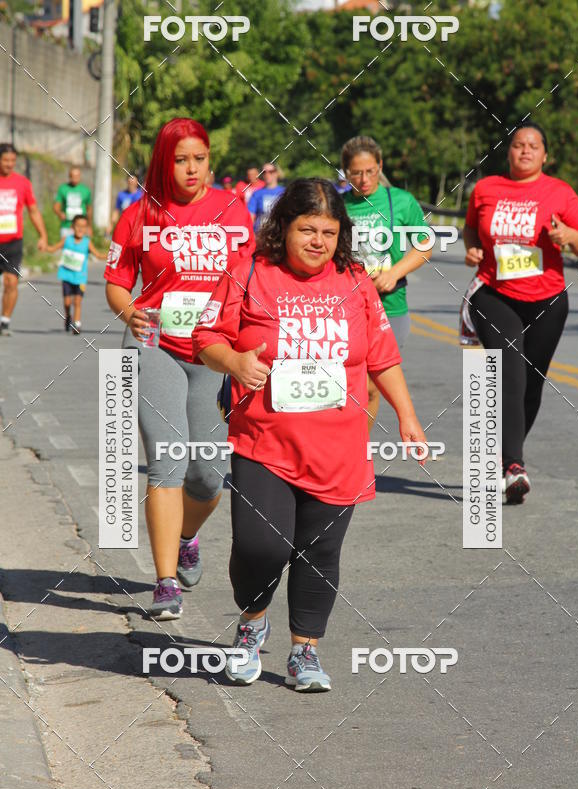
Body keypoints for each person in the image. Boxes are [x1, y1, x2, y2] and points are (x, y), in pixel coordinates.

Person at [193, 178, 428, 692]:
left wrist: (407, 416)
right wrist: (233, 360)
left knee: (319, 553)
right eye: (307, 229)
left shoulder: (355, 281)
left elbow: (382, 357)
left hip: (337, 447)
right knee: (261, 547)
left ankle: (305, 652)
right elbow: (206, 335)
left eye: (329, 231)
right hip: (264, 442)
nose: (318, 241)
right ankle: (252, 625)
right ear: (285, 227)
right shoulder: (250, 270)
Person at [105, 118, 254, 619]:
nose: (191, 169)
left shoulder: (233, 209)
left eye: (200, 158)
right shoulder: (141, 213)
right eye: (180, 159)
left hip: (212, 353)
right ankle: (165, 580)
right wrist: (131, 311)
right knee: (167, 462)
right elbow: (116, 283)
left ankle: (187, 537)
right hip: (153, 348)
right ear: (164, 162)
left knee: (210, 477)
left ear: (211, 159)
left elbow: (247, 276)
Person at [463, 123, 578, 504]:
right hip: (494, 294)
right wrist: (473, 250)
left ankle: (507, 459)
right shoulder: (487, 189)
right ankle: (514, 465)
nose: (524, 151)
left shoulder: (560, 192)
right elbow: (472, 230)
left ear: (544, 155)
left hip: (547, 300)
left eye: (533, 146)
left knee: (532, 385)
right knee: (510, 371)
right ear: (509, 152)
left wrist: (567, 237)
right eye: (518, 145)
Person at [341, 136, 432, 430]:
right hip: (345, 308)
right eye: (356, 172)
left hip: (389, 308)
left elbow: (425, 244)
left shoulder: (401, 201)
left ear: (379, 167)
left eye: (370, 171)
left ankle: (357, 454)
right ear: (345, 172)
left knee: (369, 387)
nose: (364, 179)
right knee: (343, 386)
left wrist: (394, 273)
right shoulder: (337, 205)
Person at [0, 143, 47, 336]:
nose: (9, 164)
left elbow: (33, 211)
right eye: (5, 160)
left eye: (13, 160)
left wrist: (42, 235)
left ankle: (5, 321)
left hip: (13, 243)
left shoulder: (23, 183)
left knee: (11, 282)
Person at [47, 214, 106, 334]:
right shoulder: (67, 240)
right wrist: (44, 247)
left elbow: (98, 255)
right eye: (78, 226)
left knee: (77, 302)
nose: (80, 229)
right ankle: (68, 316)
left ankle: (77, 323)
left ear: (87, 229)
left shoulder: (87, 242)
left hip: (80, 278)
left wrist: (113, 254)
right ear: (72, 226)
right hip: (67, 276)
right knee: (67, 303)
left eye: (83, 227)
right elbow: (53, 249)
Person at [53, 166, 92, 238]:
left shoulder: (86, 190)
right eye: (73, 176)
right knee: (66, 247)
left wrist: (89, 226)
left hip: (81, 226)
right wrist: (59, 213)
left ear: (80, 176)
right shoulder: (63, 188)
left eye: (77, 176)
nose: (75, 178)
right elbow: (56, 206)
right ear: (69, 176)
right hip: (67, 225)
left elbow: (89, 209)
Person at [247, 163, 284, 232]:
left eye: (271, 172)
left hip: (278, 234)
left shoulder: (284, 192)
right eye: (264, 172)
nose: (267, 174)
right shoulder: (256, 194)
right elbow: (250, 217)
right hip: (260, 234)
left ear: (276, 173)